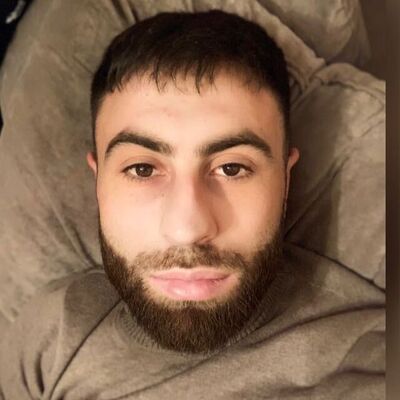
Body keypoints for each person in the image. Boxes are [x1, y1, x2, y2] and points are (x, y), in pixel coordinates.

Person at [0, 10, 384, 400]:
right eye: (142, 169)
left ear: (285, 179)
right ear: (98, 182)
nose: (187, 228)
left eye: (232, 168)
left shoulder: (369, 357)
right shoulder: (54, 333)